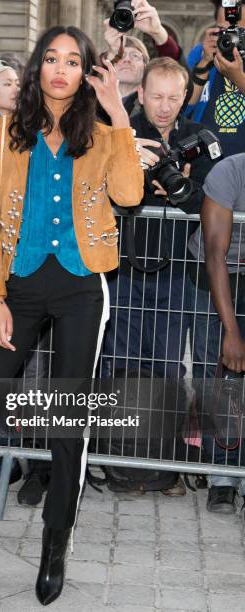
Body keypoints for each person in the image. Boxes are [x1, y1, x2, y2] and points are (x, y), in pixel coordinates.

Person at [0, 25, 143, 605]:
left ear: (85, 73)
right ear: (37, 68)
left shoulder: (101, 137)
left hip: (79, 288)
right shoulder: (3, 136)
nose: (60, 69)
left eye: (73, 61)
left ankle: (55, 549)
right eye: (51, 58)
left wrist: (118, 113)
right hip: (17, 290)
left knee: (68, 429)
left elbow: (128, 194)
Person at [102, 57, 218, 379]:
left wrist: (183, 190)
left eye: (173, 97)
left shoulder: (201, 138)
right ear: (140, 94)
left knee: (166, 369)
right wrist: (132, 170)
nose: (165, 107)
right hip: (123, 268)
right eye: (156, 96)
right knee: (121, 364)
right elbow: (100, 190)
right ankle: (120, 430)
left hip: (178, 273)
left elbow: (213, 204)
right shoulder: (121, 134)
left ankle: (164, 431)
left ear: (184, 97)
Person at [187, 154, 245, 513]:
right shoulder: (231, 171)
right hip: (217, 275)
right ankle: (221, 476)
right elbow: (214, 255)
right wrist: (232, 330)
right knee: (220, 376)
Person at [103, 0, 191, 116]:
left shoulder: (157, 110)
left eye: (135, 56)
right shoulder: (91, 104)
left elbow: (179, 82)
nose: (127, 60)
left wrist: (158, 33)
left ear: (145, 67)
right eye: (120, 55)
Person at [186, 0, 245, 157]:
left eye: (237, 31)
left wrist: (239, 79)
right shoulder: (201, 53)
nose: (230, 38)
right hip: (204, 161)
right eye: (222, 30)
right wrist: (205, 61)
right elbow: (180, 109)